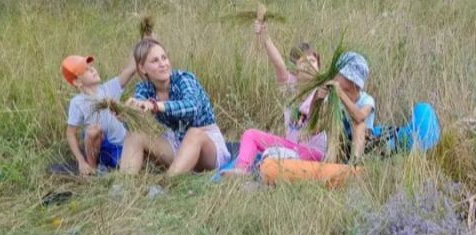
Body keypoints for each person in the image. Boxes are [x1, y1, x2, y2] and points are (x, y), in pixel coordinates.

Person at [119, 37, 230, 174]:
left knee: (193, 134)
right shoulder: (144, 89)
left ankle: (168, 184)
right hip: (177, 143)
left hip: (206, 145)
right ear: (142, 68)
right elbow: (137, 117)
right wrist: (126, 114)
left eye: (164, 58)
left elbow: (192, 107)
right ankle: (123, 186)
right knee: (135, 134)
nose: (163, 64)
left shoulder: (183, 79)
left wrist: (155, 106)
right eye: (155, 61)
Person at [232, 21, 328, 171]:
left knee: (273, 157)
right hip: (291, 148)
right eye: (304, 62)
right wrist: (265, 37)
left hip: (312, 153)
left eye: (312, 61)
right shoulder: (291, 87)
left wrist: (319, 101)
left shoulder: (323, 90)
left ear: (319, 66)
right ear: (295, 69)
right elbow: (278, 65)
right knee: (250, 135)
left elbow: (320, 124)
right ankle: (240, 170)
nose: (309, 65)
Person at [62, 53, 137, 175]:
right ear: (77, 82)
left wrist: (144, 42)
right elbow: (70, 133)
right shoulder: (77, 102)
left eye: (91, 66)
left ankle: (113, 164)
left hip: (122, 144)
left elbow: (130, 70)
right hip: (101, 147)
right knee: (93, 131)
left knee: (130, 165)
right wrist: (81, 161)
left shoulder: (108, 89)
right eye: (86, 70)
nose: (92, 69)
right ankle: (91, 168)